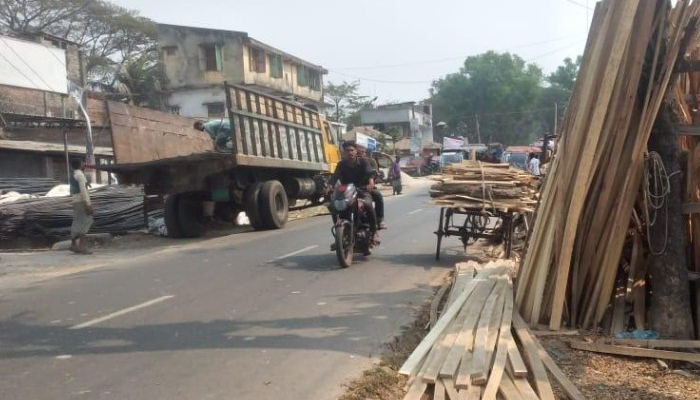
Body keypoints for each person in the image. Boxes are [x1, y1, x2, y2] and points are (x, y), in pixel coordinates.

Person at [327, 141, 380, 244]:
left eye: (352, 150)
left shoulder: (364, 162)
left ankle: (374, 233)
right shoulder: (341, 164)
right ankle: (339, 236)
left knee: (368, 205)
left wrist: (370, 183)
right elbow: (334, 178)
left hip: (362, 191)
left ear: (356, 151)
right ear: (344, 152)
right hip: (346, 192)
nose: (350, 152)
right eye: (347, 150)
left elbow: (369, 174)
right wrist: (328, 187)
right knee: (334, 207)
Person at [69, 158, 94, 254]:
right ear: (80, 165)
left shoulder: (73, 175)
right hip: (81, 201)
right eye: (83, 163)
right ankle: (82, 246)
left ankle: (74, 244)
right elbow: (83, 191)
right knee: (86, 221)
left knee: (77, 221)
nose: (84, 164)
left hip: (75, 200)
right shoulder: (80, 175)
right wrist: (87, 204)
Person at [358, 147, 386, 230]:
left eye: (363, 152)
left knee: (377, 195)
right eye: (359, 152)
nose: (361, 154)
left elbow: (374, 173)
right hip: (353, 187)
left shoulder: (370, 161)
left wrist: (372, 182)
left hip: (367, 187)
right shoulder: (350, 162)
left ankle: (380, 220)